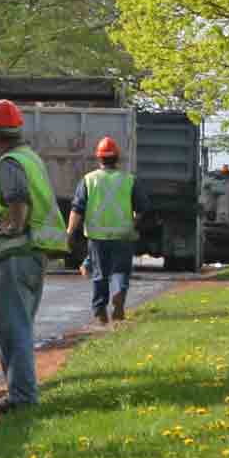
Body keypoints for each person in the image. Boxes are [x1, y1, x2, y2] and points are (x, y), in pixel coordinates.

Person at [0, 98, 67, 415]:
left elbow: (18, 201)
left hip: (17, 254)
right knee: (16, 324)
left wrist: (12, 225)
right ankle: (19, 393)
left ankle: (22, 396)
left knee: (12, 327)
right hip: (32, 254)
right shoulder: (29, 157)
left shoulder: (10, 163)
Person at [69, 136, 147, 325]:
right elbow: (142, 208)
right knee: (120, 271)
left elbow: (77, 209)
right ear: (117, 158)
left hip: (97, 237)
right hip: (123, 235)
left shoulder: (89, 180)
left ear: (99, 158)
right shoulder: (129, 180)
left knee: (100, 274)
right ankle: (119, 293)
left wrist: (70, 232)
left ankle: (100, 310)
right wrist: (132, 224)